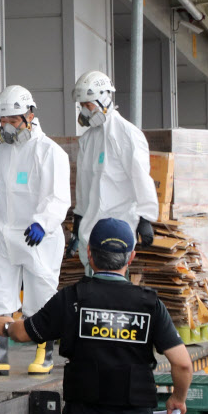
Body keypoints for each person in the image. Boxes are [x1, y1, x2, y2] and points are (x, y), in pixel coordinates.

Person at [0, 218, 192, 414]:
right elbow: (182, 364)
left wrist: (6, 326)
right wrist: (178, 398)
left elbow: (25, 332)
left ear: (89, 254)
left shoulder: (71, 298)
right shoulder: (150, 305)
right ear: (131, 257)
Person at [0, 86, 70, 376]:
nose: (7, 127)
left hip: (37, 237)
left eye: (13, 121)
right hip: (3, 234)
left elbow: (58, 196)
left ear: (30, 115)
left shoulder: (49, 151)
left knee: (41, 295)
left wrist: (43, 222)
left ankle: (44, 354)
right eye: (3, 121)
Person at [66, 71, 159, 272]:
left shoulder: (127, 134)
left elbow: (141, 177)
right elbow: (84, 184)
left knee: (114, 288)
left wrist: (145, 217)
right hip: (90, 230)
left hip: (118, 227)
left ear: (104, 99)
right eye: (82, 106)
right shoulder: (88, 139)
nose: (84, 112)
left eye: (88, 106)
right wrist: (79, 218)